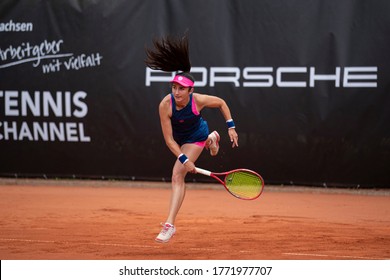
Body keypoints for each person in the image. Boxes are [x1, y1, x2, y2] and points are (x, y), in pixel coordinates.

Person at [145, 34, 239, 243]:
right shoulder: (165, 105)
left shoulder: (199, 100)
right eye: (174, 88)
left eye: (181, 89)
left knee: (177, 174)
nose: (176, 92)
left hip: (195, 136)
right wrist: (185, 160)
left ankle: (169, 225)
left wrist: (231, 127)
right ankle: (212, 141)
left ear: (190, 90)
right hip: (180, 140)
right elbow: (169, 140)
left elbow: (222, 103)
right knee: (182, 166)